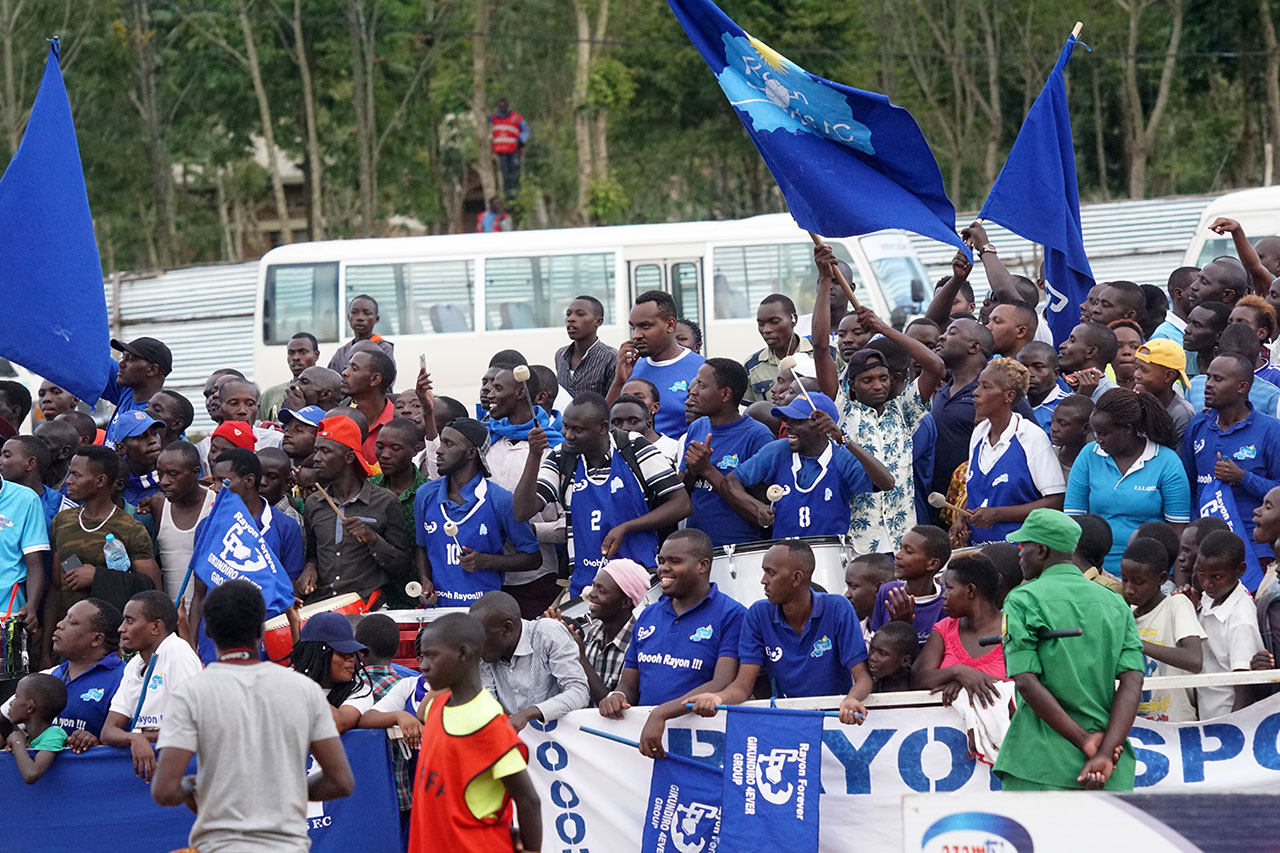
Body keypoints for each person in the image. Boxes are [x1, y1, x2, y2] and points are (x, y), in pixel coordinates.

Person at [152, 580, 354, 850]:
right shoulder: (303, 689)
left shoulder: (191, 693)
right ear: (261, 628)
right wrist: (282, 792)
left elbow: (164, 791)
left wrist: (193, 788)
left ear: (208, 631)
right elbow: (340, 782)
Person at [995, 509, 1145, 791]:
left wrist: (1085, 740)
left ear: (1041, 550)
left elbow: (1026, 680)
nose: (1019, 554)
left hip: (1040, 764)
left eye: (1023, 545)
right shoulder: (1114, 602)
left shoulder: (1023, 598)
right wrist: (1105, 750)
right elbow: (1133, 682)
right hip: (1108, 766)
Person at [516, 392, 689, 597]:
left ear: (603, 428)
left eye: (578, 430)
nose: (568, 435)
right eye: (566, 426)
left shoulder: (632, 447)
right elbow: (522, 512)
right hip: (587, 585)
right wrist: (534, 456)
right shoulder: (562, 457)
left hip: (640, 581)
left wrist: (627, 527)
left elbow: (682, 504)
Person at [689, 541, 871, 724]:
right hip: (788, 720)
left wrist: (851, 700)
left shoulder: (838, 608)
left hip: (835, 718)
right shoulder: (758, 614)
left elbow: (863, 677)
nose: (763, 580)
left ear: (796, 578)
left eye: (771, 572)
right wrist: (718, 698)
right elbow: (743, 687)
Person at [599, 530, 744, 759]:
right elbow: (629, 684)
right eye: (661, 561)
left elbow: (722, 682)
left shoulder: (732, 615)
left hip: (704, 746)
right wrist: (617, 696)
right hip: (646, 742)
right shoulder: (647, 615)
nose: (663, 568)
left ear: (702, 565)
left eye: (674, 561)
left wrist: (662, 713)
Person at [406, 612, 542, 853]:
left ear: (462, 653)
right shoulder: (437, 706)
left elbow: (528, 799)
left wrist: (530, 848)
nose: (423, 665)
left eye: (432, 656)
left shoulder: (488, 723)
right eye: (422, 656)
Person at [816, 299, 944, 554]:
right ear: (851, 384)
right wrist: (825, 279)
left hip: (902, 539)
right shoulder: (841, 410)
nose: (878, 386)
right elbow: (820, 348)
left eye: (883, 378)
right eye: (868, 380)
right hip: (857, 539)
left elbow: (935, 365)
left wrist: (882, 328)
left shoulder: (904, 410)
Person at [723, 392, 893, 538]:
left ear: (821, 427)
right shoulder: (778, 451)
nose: (787, 427)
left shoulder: (841, 458)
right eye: (786, 420)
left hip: (830, 556)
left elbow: (887, 483)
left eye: (797, 421)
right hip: (784, 555)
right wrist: (756, 508)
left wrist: (844, 439)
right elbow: (730, 482)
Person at [413, 418, 540, 607]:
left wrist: (485, 561)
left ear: (471, 453)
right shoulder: (426, 494)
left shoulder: (500, 500)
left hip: (483, 614)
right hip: (437, 613)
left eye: (448, 444)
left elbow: (533, 558)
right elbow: (422, 546)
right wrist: (425, 581)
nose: (439, 451)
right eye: (441, 443)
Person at [1183, 352, 1280, 585]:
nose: (1208, 385)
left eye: (1218, 379)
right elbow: (1190, 486)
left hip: (1255, 549)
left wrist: (1243, 478)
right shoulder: (1197, 425)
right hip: (1208, 551)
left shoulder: (1270, 430)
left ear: (1242, 387)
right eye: (1208, 378)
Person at [1066, 389, 1190, 571]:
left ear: (1127, 430)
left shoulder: (1167, 461)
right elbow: (1073, 520)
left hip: (1149, 574)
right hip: (1095, 572)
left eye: (1103, 433)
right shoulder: (1088, 455)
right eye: (1094, 433)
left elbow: (1177, 533)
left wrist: (1176, 586)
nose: (1097, 440)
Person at [953, 358, 1066, 546]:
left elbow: (1056, 501)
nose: (976, 393)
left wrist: (998, 514)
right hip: (978, 550)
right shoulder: (979, 434)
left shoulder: (1031, 437)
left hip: (1017, 553)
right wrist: (961, 518)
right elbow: (976, 491)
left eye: (986, 387)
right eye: (978, 385)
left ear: (1008, 396)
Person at [482, 362, 564, 617]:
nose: (489, 393)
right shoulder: (488, 443)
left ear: (520, 393)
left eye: (497, 387)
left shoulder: (555, 450)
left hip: (536, 577)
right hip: (489, 575)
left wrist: (530, 531)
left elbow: (569, 524)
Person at [300, 416, 410, 605]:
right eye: (316, 450)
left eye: (325, 451)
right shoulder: (314, 503)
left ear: (349, 457)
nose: (316, 458)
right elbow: (312, 553)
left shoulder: (384, 502)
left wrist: (373, 539)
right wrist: (310, 568)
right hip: (322, 604)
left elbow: (402, 564)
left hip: (368, 605)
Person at [100, 590, 203, 782]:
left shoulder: (179, 654)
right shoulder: (134, 665)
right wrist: (135, 738)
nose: (121, 629)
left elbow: (194, 728)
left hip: (181, 772)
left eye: (130, 621)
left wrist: (142, 737)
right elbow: (108, 731)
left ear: (156, 627)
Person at [0, 598, 124, 751]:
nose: (60, 624)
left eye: (72, 622)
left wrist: (96, 743)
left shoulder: (125, 679)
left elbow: (133, 739)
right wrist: (19, 742)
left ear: (97, 639)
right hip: (43, 773)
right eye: (64, 618)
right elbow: (3, 718)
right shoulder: (49, 676)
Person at [50, 447, 160, 616]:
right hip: (70, 634)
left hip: (112, 634)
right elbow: (56, 587)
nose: (68, 481)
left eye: (77, 475)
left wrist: (97, 577)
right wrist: (47, 640)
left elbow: (152, 589)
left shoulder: (131, 528)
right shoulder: (62, 521)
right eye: (69, 474)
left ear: (100, 480)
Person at [678, 358, 775, 546]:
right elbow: (681, 495)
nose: (693, 391)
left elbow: (761, 513)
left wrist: (707, 469)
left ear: (725, 395)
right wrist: (691, 470)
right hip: (697, 549)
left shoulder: (757, 435)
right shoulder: (697, 427)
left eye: (702, 385)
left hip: (740, 550)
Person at [469, 591, 589, 730]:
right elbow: (486, 705)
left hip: (558, 738)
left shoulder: (547, 634)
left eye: (481, 635)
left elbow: (579, 692)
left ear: (507, 629)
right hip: (509, 738)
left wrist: (528, 714)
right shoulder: (485, 654)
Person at [1183, 530, 1266, 718]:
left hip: (1226, 719)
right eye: (1201, 573)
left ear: (1241, 570)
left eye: (1216, 577)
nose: (1206, 583)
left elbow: (1244, 691)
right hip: (1206, 715)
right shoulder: (1208, 599)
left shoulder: (1241, 619)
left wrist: (1231, 732)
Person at [1120, 536, 1204, 723]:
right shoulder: (1128, 616)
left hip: (1178, 723)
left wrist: (1137, 644)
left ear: (1162, 579)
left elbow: (1194, 659)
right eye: (1124, 580)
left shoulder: (1176, 604)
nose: (1129, 589)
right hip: (1139, 726)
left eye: (1139, 583)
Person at [607, 290, 706, 439]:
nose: (637, 335)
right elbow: (606, 422)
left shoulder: (702, 369)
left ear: (670, 325)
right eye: (634, 327)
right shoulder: (631, 366)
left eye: (645, 326)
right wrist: (619, 382)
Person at [912, 553, 1006, 704]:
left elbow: (1024, 683)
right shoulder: (944, 628)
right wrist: (958, 672)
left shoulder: (1013, 629)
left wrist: (968, 681)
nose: (944, 595)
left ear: (970, 590)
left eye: (949, 588)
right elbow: (919, 679)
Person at [554, 558, 648, 705]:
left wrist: (580, 657)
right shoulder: (593, 632)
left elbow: (611, 706)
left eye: (601, 590)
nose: (591, 594)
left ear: (626, 602)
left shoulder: (639, 644)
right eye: (593, 586)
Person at [368, 417, 428, 609]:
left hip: (418, 593)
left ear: (416, 449)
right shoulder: (369, 488)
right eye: (380, 446)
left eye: (395, 448)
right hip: (377, 595)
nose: (384, 455)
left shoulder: (427, 493)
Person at [150, 442, 215, 601]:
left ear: (195, 473)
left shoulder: (215, 505)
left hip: (206, 617)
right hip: (172, 618)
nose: (164, 481)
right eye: (160, 473)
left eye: (173, 474)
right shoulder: (158, 505)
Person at [291, 610, 375, 731]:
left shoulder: (359, 691)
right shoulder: (287, 681)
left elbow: (337, 723)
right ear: (319, 654)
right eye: (343, 651)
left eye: (352, 652)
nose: (351, 658)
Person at [869, 525, 952, 646]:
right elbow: (876, 648)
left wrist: (904, 628)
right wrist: (895, 626)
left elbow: (936, 657)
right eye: (900, 547)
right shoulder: (887, 591)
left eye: (908, 551)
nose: (898, 555)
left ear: (932, 564)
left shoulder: (944, 603)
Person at [743, 293, 833, 402]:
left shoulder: (829, 353)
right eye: (761, 324)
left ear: (793, 319)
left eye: (774, 322)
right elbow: (753, 413)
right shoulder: (752, 366)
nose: (766, 330)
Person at [1188, 322, 1280, 415]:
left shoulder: (1271, 396)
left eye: (1245, 361)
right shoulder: (1194, 386)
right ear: (1216, 354)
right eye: (1229, 359)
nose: (1237, 366)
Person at [4, 673, 67, 784]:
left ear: (30, 707)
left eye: (16, 696)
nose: (10, 703)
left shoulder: (54, 734)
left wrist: (17, 742)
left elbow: (31, 774)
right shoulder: (29, 738)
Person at [102, 336, 172, 436]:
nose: (121, 364)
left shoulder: (160, 419)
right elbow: (95, 358)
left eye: (130, 358)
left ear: (152, 370)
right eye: (123, 357)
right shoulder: (127, 390)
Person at [341, 347, 397, 464]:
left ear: (375, 379)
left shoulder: (397, 423)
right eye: (348, 367)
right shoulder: (341, 419)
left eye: (354, 368)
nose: (345, 373)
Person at [556, 295, 618, 397]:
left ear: (598, 321)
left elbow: (614, 403)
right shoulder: (560, 355)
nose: (570, 319)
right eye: (568, 314)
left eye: (580, 314)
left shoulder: (611, 358)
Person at [1134, 339, 1195, 442]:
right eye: (1136, 368)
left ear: (1168, 376)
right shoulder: (1136, 403)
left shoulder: (1181, 414)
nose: (1136, 375)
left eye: (1144, 370)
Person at [1208, 217, 1280, 295]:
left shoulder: (1272, 288)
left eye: (1259, 257)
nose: (1250, 259)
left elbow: (1255, 268)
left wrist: (1237, 231)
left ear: (1279, 265)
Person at [260, 332, 320, 423]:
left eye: (302, 352)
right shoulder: (270, 395)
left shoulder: (325, 392)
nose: (295, 358)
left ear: (316, 355)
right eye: (291, 353)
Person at [108, 410, 164, 507]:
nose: (152, 441)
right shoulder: (113, 485)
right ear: (121, 447)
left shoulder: (172, 479)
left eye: (154, 433)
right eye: (141, 437)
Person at [327, 294, 395, 375]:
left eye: (367, 313)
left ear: (376, 319)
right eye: (354, 312)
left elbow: (386, 382)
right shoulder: (341, 353)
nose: (360, 318)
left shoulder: (384, 348)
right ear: (348, 317)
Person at [1057, 322, 1120, 402]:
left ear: (1090, 352)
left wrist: (1081, 399)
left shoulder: (1114, 398)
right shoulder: (1061, 388)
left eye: (1072, 341)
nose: (1062, 345)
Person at [611, 394, 680, 463]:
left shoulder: (667, 457)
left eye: (633, 421)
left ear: (648, 425)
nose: (624, 427)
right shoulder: (602, 459)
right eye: (616, 422)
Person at [1019, 342, 1070, 433]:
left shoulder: (1066, 406)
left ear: (1055, 373)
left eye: (1038, 367)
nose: (1029, 374)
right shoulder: (1013, 401)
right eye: (1022, 367)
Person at [844, 552, 893, 640]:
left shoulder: (899, 633)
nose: (847, 595)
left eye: (853, 587)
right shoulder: (853, 634)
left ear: (878, 589)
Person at [488, 97, 529, 201]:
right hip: (501, 152)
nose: (502, 107)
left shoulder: (516, 118)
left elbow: (526, 130)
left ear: (507, 105)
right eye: (500, 105)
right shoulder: (493, 118)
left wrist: (521, 140)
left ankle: (516, 197)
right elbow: (483, 120)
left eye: (504, 105)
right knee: (505, 176)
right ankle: (508, 197)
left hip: (513, 151)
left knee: (515, 174)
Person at [1049, 393, 1093, 480]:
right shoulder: (1048, 456)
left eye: (1063, 424)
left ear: (1086, 428)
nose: (1054, 428)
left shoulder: (1097, 463)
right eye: (1052, 421)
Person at [257, 447, 302, 531]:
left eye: (272, 477)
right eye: (258, 475)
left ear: (287, 483)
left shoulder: (290, 520)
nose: (262, 482)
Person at [1151, 267, 1198, 346]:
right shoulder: (1163, 336)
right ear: (1179, 293)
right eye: (1196, 289)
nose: (1203, 293)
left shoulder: (1203, 329)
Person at [867, 622, 918, 693]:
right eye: (872, 649)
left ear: (905, 661)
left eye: (882, 653)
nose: (872, 657)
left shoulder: (920, 687)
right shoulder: (868, 687)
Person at [34, 420, 78, 494]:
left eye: (42, 443)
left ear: (64, 452)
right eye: (34, 440)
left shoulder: (76, 489)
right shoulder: (23, 480)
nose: (33, 446)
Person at [1109, 320, 1144, 391]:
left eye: (1134, 347)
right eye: (1118, 346)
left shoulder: (1152, 389)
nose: (1127, 352)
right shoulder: (1098, 386)